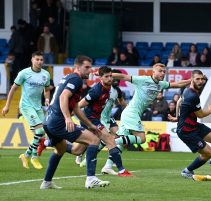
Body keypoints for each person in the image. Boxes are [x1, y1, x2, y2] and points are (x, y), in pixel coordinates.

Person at [40, 55, 110, 189]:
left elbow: (76, 107)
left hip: (48, 121)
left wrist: (90, 125)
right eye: (87, 67)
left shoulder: (70, 78)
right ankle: (90, 178)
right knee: (94, 140)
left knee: (63, 151)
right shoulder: (76, 79)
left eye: (91, 67)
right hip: (58, 121)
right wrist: (67, 117)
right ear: (77, 67)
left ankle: (46, 182)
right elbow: (63, 97)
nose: (90, 70)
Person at [111, 63, 190, 154]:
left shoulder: (161, 84)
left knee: (124, 143)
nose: (162, 73)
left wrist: (191, 80)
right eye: (160, 71)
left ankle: (108, 166)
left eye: (164, 71)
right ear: (153, 72)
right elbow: (123, 76)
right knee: (142, 139)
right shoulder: (143, 80)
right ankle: (111, 141)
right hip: (131, 113)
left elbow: (178, 84)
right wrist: (106, 75)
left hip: (129, 113)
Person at [175, 70, 211, 179]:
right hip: (186, 131)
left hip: (193, 125)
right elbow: (200, 115)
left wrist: (177, 117)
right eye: (197, 79)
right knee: (208, 152)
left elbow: (178, 102)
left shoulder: (187, 90)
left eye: (202, 79)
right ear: (192, 79)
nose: (201, 81)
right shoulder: (192, 95)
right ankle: (187, 171)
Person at [2, 51, 50, 169]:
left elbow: (47, 89)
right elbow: (13, 89)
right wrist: (7, 105)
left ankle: (26, 155)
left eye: (41, 60)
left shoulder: (46, 74)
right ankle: (34, 157)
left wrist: (47, 99)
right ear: (32, 60)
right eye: (37, 59)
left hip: (38, 106)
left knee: (42, 132)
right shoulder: (24, 73)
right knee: (39, 132)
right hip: (26, 106)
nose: (39, 62)